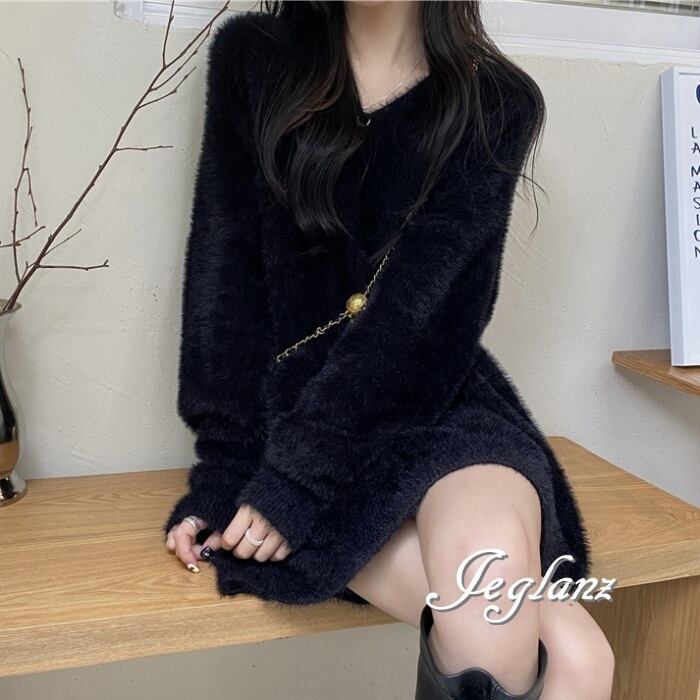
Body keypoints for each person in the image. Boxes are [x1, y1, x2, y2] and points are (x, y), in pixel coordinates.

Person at [163, 2, 614, 698]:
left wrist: (303, 480)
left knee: (507, 591)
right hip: (292, 426)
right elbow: (225, 287)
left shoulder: (495, 103)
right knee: (576, 657)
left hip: (436, 403)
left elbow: (425, 323)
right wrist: (230, 474)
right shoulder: (254, 59)